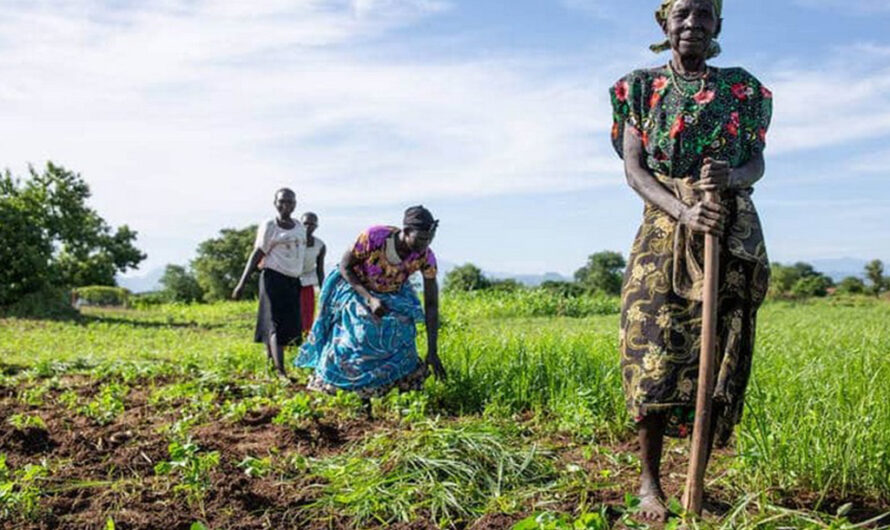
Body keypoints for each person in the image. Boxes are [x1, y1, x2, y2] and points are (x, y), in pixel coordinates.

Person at [609, 0, 772, 520]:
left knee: (716, 350)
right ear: (665, 23)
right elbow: (635, 171)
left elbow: (756, 162)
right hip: (666, 227)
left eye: (704, 14)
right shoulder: (637, 87)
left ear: (718, 25)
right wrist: (682, 211)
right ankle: (650, 484)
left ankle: (696, 482)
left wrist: (732, 178)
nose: (693, 24)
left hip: (726, 227)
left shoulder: (741, 89)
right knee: (651, 347)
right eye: (682, 14)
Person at [295, 205, 446, 412]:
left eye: (429, 239)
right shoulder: (375, 237)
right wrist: (369, 299)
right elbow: (345, 266)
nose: (425, 244)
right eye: (420, 238)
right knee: (362, 331)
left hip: (393, 293)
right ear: (406, 230)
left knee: (401, 330)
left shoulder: (425, 256)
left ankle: (394, 389)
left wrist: (433, 350)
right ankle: (359, 397)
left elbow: (431, 304)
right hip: (356, 285)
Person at [233, 188, 307, 379]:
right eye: (282, 201)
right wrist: (242, 282)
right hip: (273, 278)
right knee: (275, 323)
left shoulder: (299, 227)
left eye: (290, 202)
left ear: (295, 204)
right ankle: (281, 371)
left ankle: (271, 365)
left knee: (289, 324)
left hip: (293, 280)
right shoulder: (270, 226)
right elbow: (258, 253)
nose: (286, 205)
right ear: (275, 203)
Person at [299, 212, 326, 334]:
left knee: (307, 312)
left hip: (307, 281)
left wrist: (324, 290)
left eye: (312, 224)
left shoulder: (320, 245)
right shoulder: (293, 241)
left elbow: (320, 270)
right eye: (305, 223)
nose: (308, 227)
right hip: (290, 280)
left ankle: (305, 339)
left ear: (316, 226)